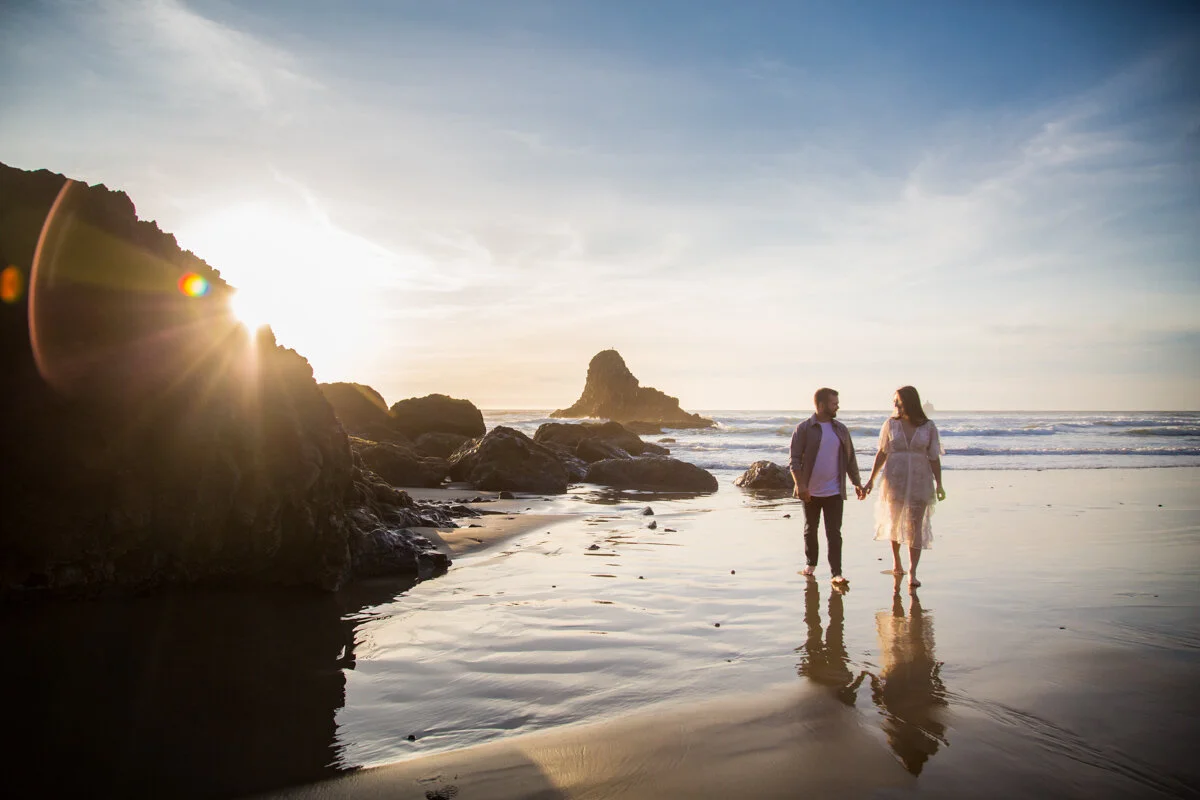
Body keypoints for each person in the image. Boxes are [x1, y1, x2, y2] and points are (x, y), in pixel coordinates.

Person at [863, 385, 945, 588]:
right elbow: (882, 453)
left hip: (919, 479)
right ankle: (897, 562)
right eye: (894, 400)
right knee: (895, 520)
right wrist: (871, 480)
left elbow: (934, 457)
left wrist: (940, 483)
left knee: (915, 526)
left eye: (897, 400)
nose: (895, 403)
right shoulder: (890, 424)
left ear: (908, 401)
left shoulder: (928, 426)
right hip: (895, 479)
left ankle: (913, 572)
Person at [789, 387, 865, 584]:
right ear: (821, 405)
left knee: (834, 533)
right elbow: (794, 460)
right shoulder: (804, 429)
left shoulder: (840, 429)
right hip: (810, 491)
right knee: (810, 529)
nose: (837, 406)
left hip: (834, 490)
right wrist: (801, 485)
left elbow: (850, 458)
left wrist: (857, 483)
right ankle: (810, 563)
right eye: (834, 403)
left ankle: (836, 573)